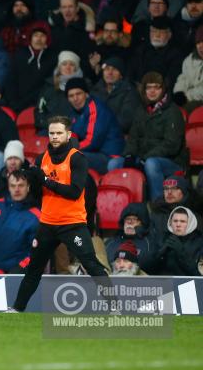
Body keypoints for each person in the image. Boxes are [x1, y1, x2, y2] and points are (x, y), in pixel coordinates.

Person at [10, 116, 111, 312]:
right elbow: (39, 195)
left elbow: (74, 192)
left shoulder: (77, 158)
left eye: (59, 133)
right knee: (34, 269)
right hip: (47, 223)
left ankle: (114, 307)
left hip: (72, 223)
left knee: (92, 265)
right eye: (52, 133)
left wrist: (45, 179)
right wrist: (31, 180)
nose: (55, 137)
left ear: (68, 134)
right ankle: (16, 309)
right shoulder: (42, 158)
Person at [107, 71, 187, 201]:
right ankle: (121, 204)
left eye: (156, 87)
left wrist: (145, 158)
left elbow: (172, 145)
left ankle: (157, 205)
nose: (152, 91)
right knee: (114, 164)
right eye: (148, 87)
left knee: (151, 164)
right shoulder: (141, 110)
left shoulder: (173, 111)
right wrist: (129, 155)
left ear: (163, 89)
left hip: (172, 161)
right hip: (143, 158)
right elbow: (133, 138)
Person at [0, 170, 39, 273]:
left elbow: (35, 252)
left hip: (13, 275)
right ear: (8, 187)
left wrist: (18, 269)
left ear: (28, 187)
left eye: (21, 185)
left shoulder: (35, 216)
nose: (16, 189)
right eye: (13, 185)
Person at [64, 77, 125, 174]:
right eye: (71, 96)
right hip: (94, 154)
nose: (75, 98)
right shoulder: (74, 113)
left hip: (110, 157)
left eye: (78, 94)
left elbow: (92, 142)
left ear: (86, 94)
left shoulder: (96, 108)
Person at [105, 203, 159, 274]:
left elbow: (152, 264)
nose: (129, 222)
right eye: (127, 219)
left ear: (143, 223)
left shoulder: (151, 242)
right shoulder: (111, 243)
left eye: (134, 219)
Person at [155, 207, 203, 276]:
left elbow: (198, 275)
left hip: (189, 284)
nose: (178, 225)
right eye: (175, 221)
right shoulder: (163, 238)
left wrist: (181, 253)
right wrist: (160, 255)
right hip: (165, 284)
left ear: (190, 223)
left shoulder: (199, 242)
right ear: (170, 222)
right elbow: (150, 270)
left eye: (182, 221)